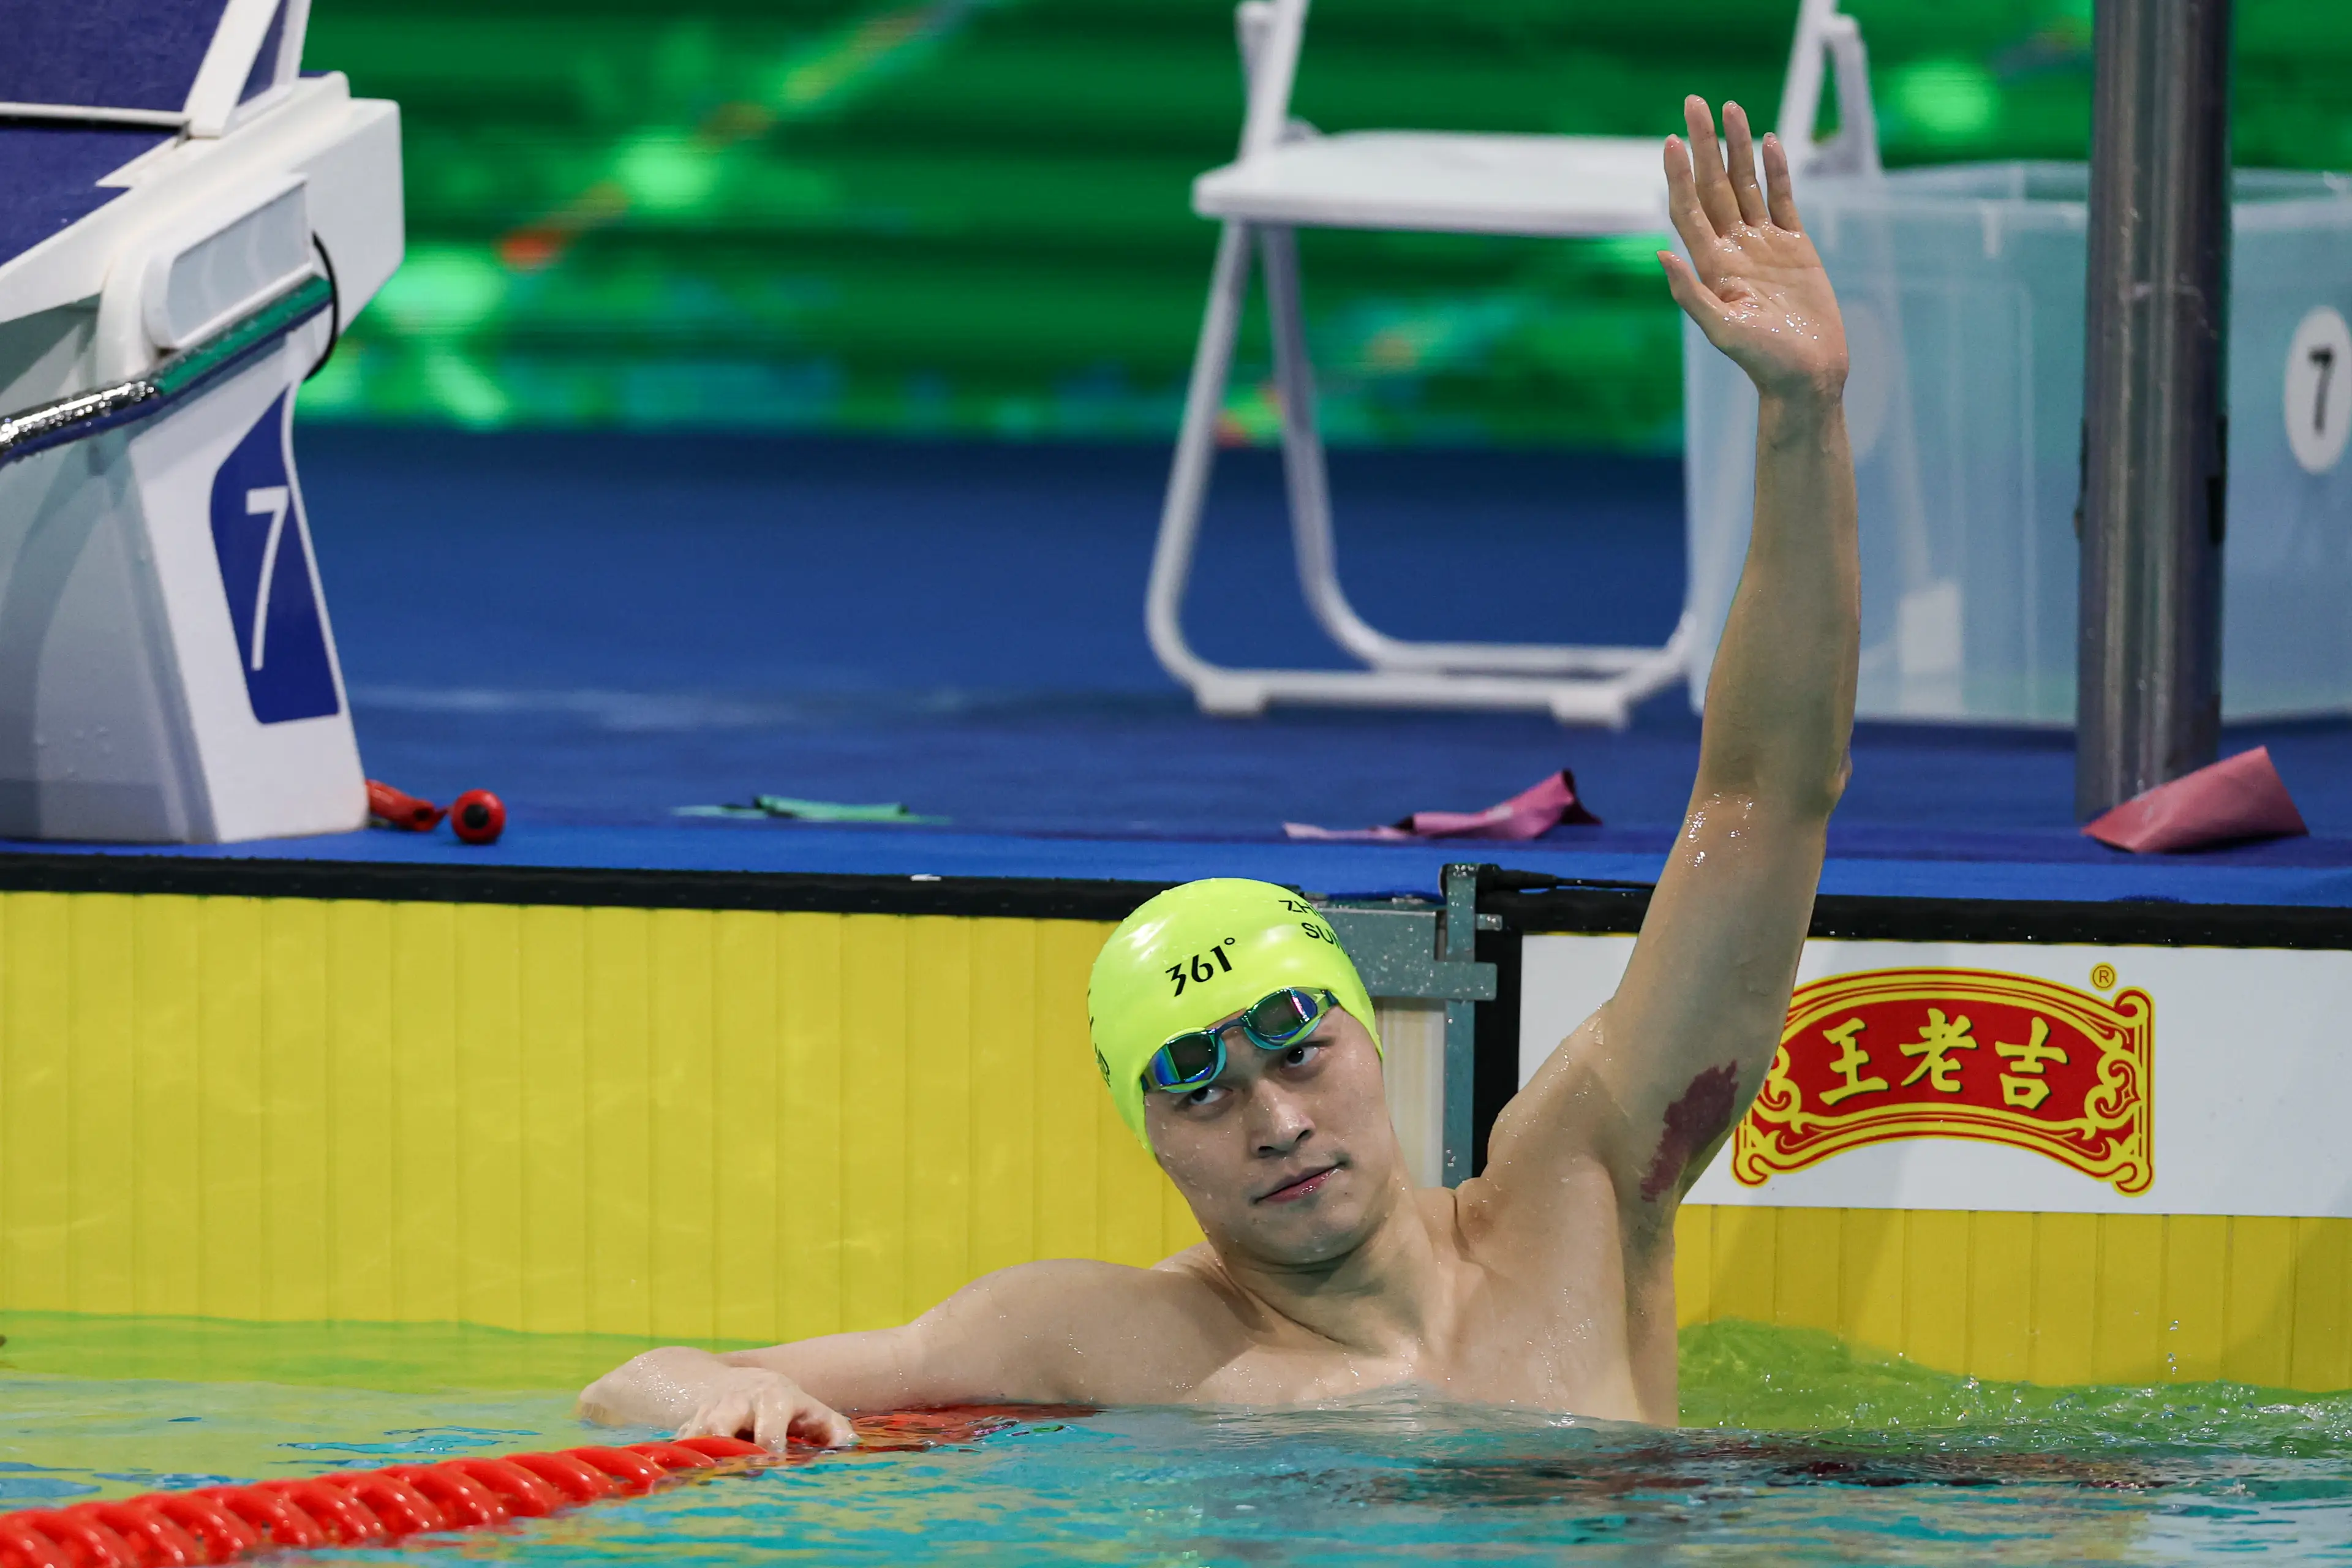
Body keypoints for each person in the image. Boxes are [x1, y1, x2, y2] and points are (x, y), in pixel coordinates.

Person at [578, 94, 1857, 1447]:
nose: (1275, 1119)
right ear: (1152, 1137)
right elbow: (631, 1386)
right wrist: (730, 1394)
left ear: (1374, 1043)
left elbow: (1766, 795)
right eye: (1201, 1088)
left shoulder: (1580, 1194)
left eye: (1301, 1053)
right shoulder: (1122, 1337)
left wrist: (1803, 414)